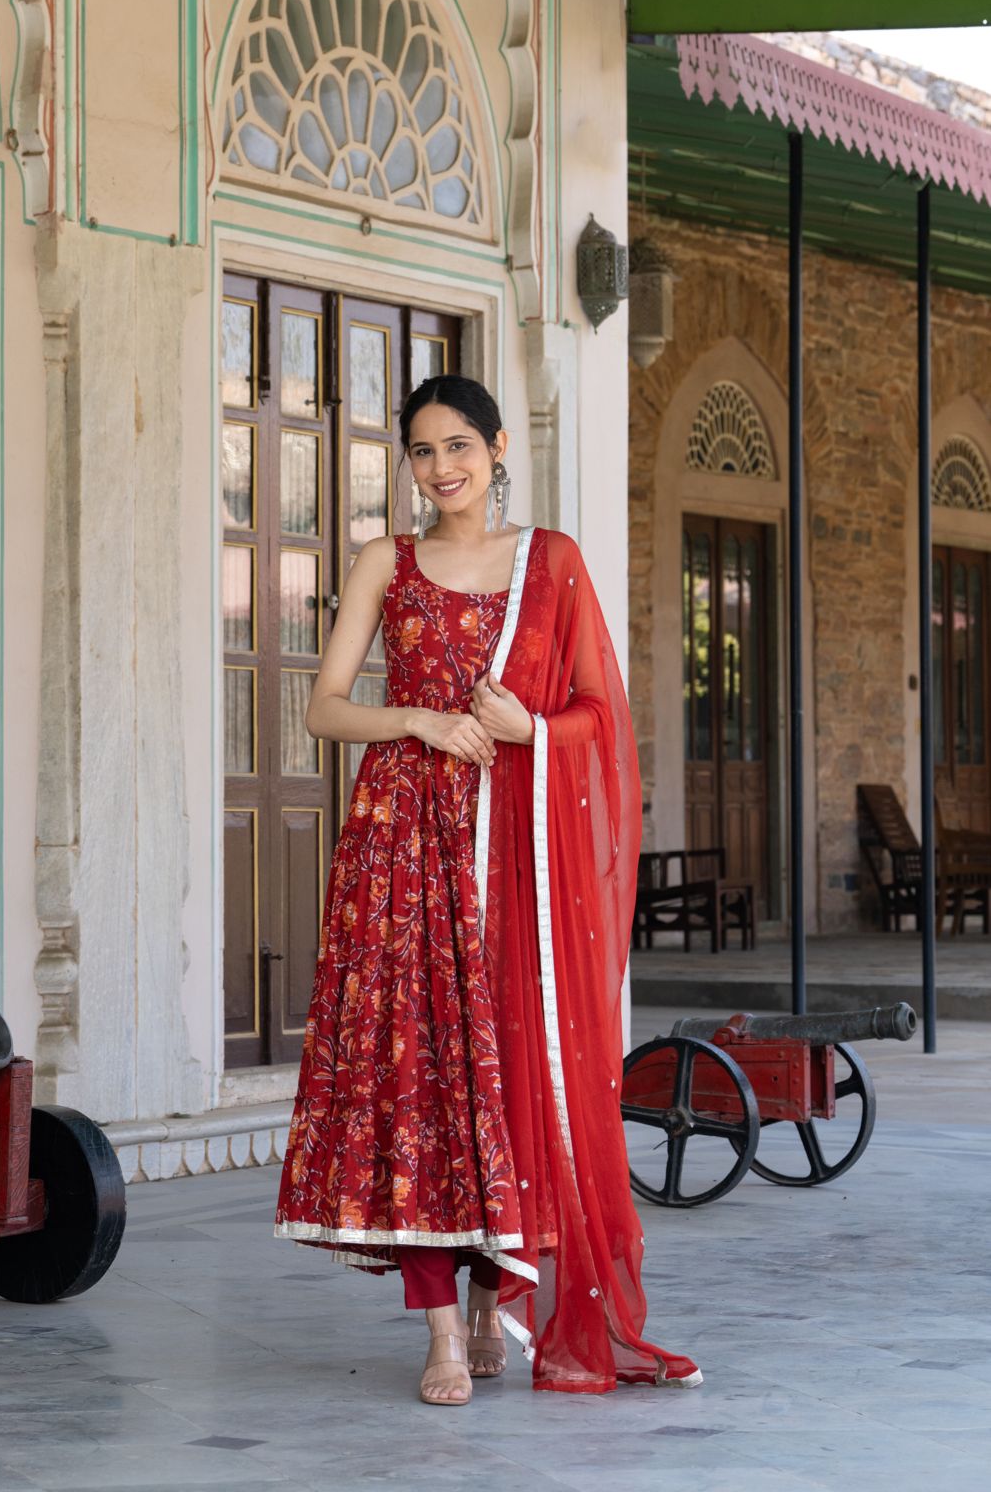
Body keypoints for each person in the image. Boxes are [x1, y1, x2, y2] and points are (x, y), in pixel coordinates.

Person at [274, 374, 700, 1405]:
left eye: (457, 443)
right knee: (417, 1076)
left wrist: (529, 733)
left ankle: (492, 1286)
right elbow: (325, 711)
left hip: (516, 851)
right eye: (421, 450)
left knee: (507, 1074)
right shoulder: (389, 559)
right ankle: (441, 1334)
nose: (441, 466)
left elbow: (604, 715)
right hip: (402, 849)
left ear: (498, 445)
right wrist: (417, 720)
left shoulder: (550, 563)